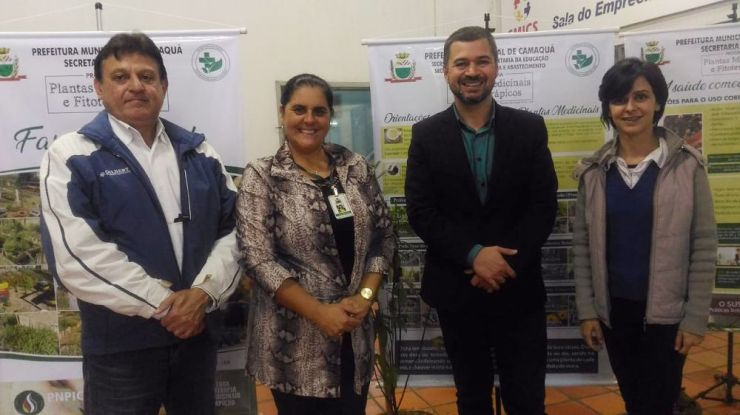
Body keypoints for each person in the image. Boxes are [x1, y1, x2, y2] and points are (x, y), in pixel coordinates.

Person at [40, 32, 240, 415]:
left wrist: (203, 294)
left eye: (146, 76)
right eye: (120, 77)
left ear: (163, 86)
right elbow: (76, 256)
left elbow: (236, 231)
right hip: (121, 348)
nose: (135, 86)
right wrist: (166, 307)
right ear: (99, 88)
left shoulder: (200, 152)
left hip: (195, 340)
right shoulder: (71, 155)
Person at [405, 26, 557, 415]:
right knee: (471, 398)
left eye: (481, 61)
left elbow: (542, 207)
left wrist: (501, 263)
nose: (472, 71)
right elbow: (421, 211)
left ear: (496, 67)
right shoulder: (425, 135)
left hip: (518, 288)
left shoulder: (530, 128)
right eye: (461, 63)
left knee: (527, 399)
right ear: (446, 71)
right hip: (457, 290)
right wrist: (474, 255)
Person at [236, 73, 396, 414]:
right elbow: (258, 259)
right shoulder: (262, 175)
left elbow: (383, 238)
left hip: (355, 334)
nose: (309, 119)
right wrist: (321, 314)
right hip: (294, 347)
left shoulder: (355, 167)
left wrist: (365, 297)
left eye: (319, 111)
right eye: (299, 109)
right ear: (282, 113)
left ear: (329, 116)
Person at [573, 58, 717, 415]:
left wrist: (695, 318)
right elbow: (583, 248)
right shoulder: (594, 173)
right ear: (608, 108)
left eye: (640, 96)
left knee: (660, 401)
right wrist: (588, 311)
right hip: (615, 311)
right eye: (619, 99)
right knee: (634, 399)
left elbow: (703, 246)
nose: (630, 107)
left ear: (657, 103)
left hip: (668, 315)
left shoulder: (687, 167)